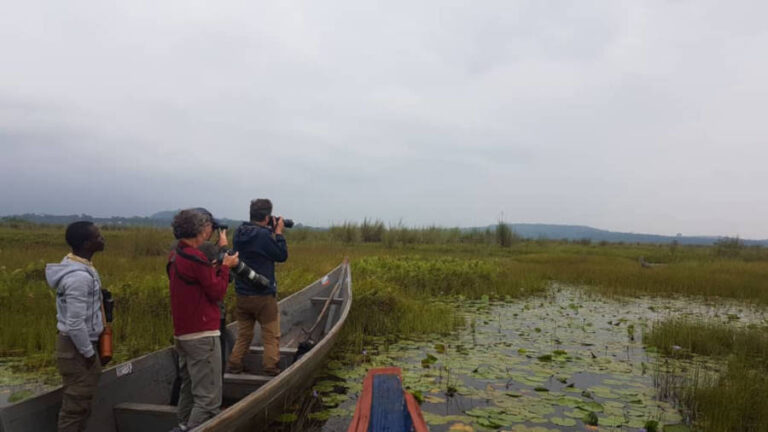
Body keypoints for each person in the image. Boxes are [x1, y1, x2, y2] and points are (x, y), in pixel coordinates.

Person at [168, 209, 239, 431]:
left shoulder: (177, 254)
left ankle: (182, 426)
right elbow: (217, 292)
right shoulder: (196, 257)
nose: (211, 230)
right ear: (202, 228)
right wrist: (225, 268)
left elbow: (196, 282)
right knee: (208, 400)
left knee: (188, 388)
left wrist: (214, 268)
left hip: (184, 334)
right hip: (202, 335)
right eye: (209, 226)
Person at [45, 221, 107, 432]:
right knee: (75, 408)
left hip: (79, 345)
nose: (102, 239)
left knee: (82, 405)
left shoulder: (81, 267)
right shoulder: (79, 277)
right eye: (98, 237)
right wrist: (89, 354)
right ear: (87, 243)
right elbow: (74, 323)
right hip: (77, 348)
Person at [226, 199, 288, 376]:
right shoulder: (263, 236)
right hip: (263, 295)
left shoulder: (239, 233)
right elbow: (281, 255)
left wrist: (270, 230)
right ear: (267, 217)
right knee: (271, 334)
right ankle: (270, 367)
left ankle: (235, 364)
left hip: (242, 294)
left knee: (244, 334)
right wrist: (279, 233)